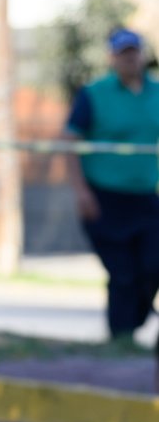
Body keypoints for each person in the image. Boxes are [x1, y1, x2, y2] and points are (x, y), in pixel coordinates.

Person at [64, 27, 159, 346]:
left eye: (134, 51)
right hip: (104, 199)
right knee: (122, 274)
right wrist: (81, 191)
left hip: (145, 198)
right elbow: (70, 142)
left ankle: (135, 321)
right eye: (123, 52)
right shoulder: (94, 94)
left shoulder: (155, 92)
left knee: (152, 265)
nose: (130, 57)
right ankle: (121, 338)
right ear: (112, 57)